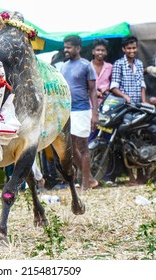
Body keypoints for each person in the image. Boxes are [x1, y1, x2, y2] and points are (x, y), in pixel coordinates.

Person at [60, 35, 98, 191]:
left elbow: (93, 91)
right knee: (70, 147)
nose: (66, 50)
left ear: (78, 48)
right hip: (67, 111)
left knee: (83, 147)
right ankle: (89, 178)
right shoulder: (63, 66)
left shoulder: (86, 65)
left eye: (69, 47)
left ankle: (85, 185)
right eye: (65, 47)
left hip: (82, 110)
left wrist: (94, 114)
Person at [110, 36, 147, 186]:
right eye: (129, 48)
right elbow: (113, 87)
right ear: (123, 49)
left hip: (139, 108)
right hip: (125, 108)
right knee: (126, 141)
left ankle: (141, 174)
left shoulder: (139, 64)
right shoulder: (119, 64)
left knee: (140, 140)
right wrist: (125, 96)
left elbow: (142, 85)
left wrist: (144, 103)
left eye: (134, 48)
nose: (132, 51)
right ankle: (131, 176)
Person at [89, 38, 113, 141]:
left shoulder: (110, 67)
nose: (100, 52)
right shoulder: (87, 66)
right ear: (93, 52)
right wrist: (95, 92)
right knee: (91, 132)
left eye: (102, 50)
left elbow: (113, 84)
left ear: (106, 52)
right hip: (89, 105)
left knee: (106, 133)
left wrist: (106, 90)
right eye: (98, 50)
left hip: (106, 106)